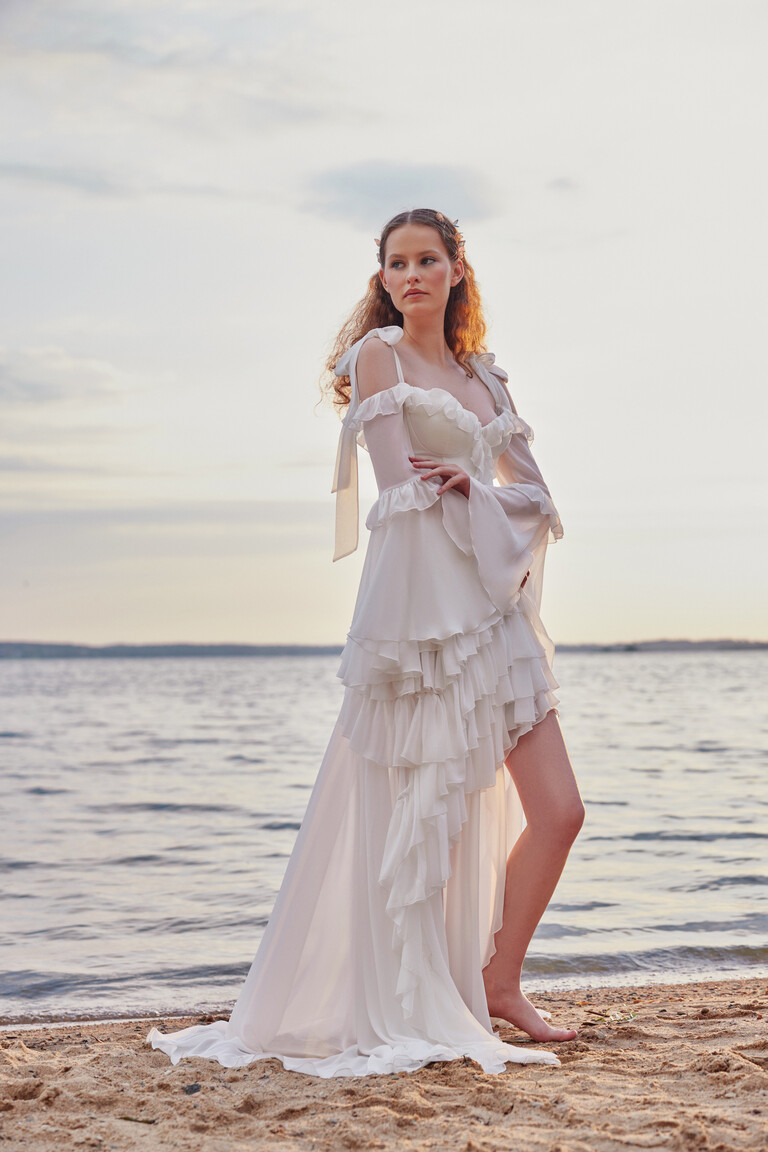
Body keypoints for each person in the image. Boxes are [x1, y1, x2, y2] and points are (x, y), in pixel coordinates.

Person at [147, 207, 584, 1077]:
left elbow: (539, 500)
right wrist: (463, 496)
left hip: (497, 625)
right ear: (381, 278)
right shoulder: (378, 357)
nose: (413, 275)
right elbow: (397, 493)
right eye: (397, 263)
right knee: (426, 824)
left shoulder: (486, 378)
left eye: (429, 260)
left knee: (560, 812)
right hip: (418, 627)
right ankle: (435, 993)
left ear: (458, 270)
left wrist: (476, 489)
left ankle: (499, 982)